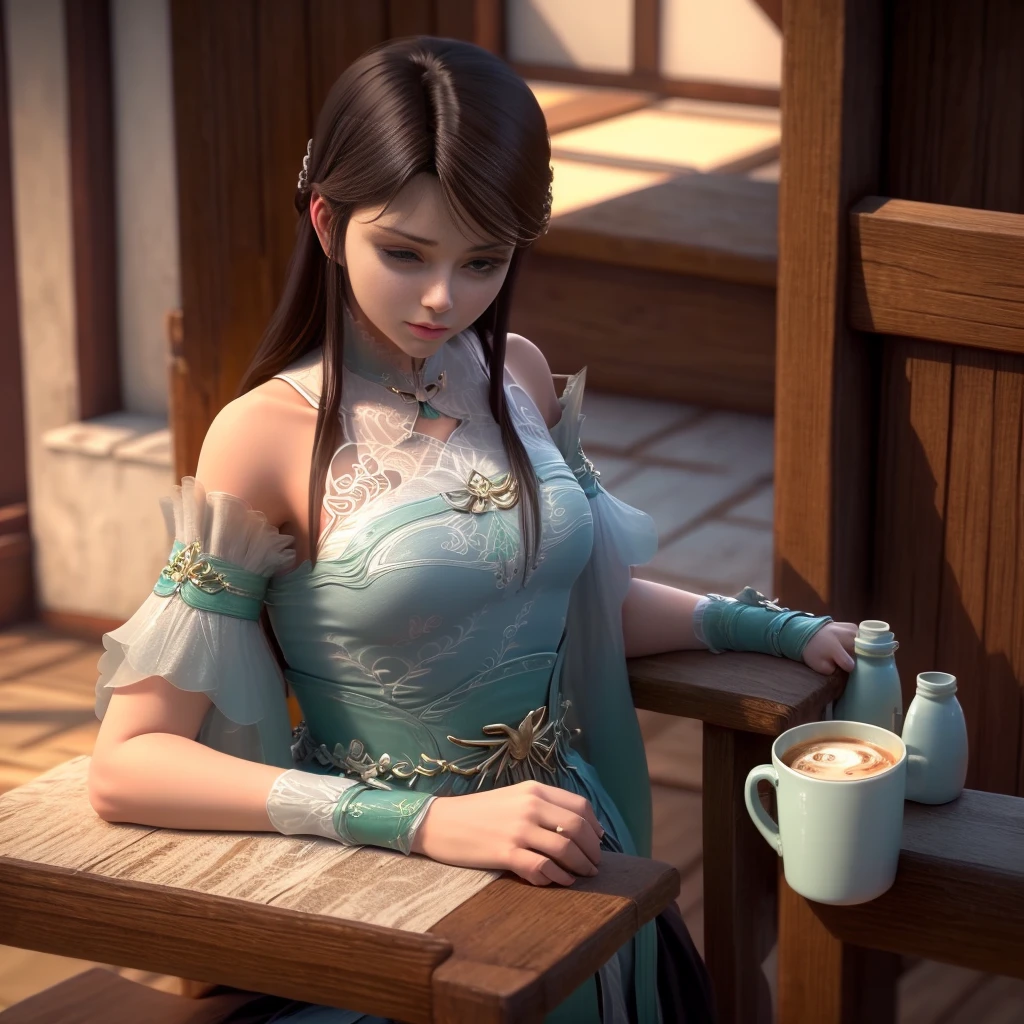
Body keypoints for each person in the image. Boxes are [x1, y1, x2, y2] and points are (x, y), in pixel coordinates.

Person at [88, 36, 857, 1024]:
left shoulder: (518, 375)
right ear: (326, 220)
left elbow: (569, 599)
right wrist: (425, 820)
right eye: (404, 253)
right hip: (395, 871)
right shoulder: (263, 435)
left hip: (573, 843)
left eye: (483, 260)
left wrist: (767, 628)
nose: (446, 298)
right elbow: (128, 760)